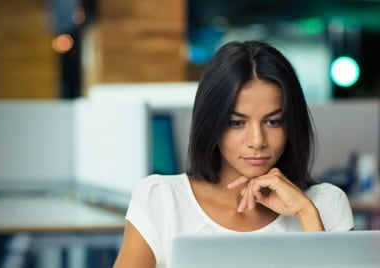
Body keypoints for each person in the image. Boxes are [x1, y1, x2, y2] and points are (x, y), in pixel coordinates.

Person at [113, 40, 354, 268]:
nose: (257, 141)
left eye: (273, 122)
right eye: (237, 123)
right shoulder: (162, 200)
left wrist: (305, 213)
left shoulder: (326, 204)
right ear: (212, 123)